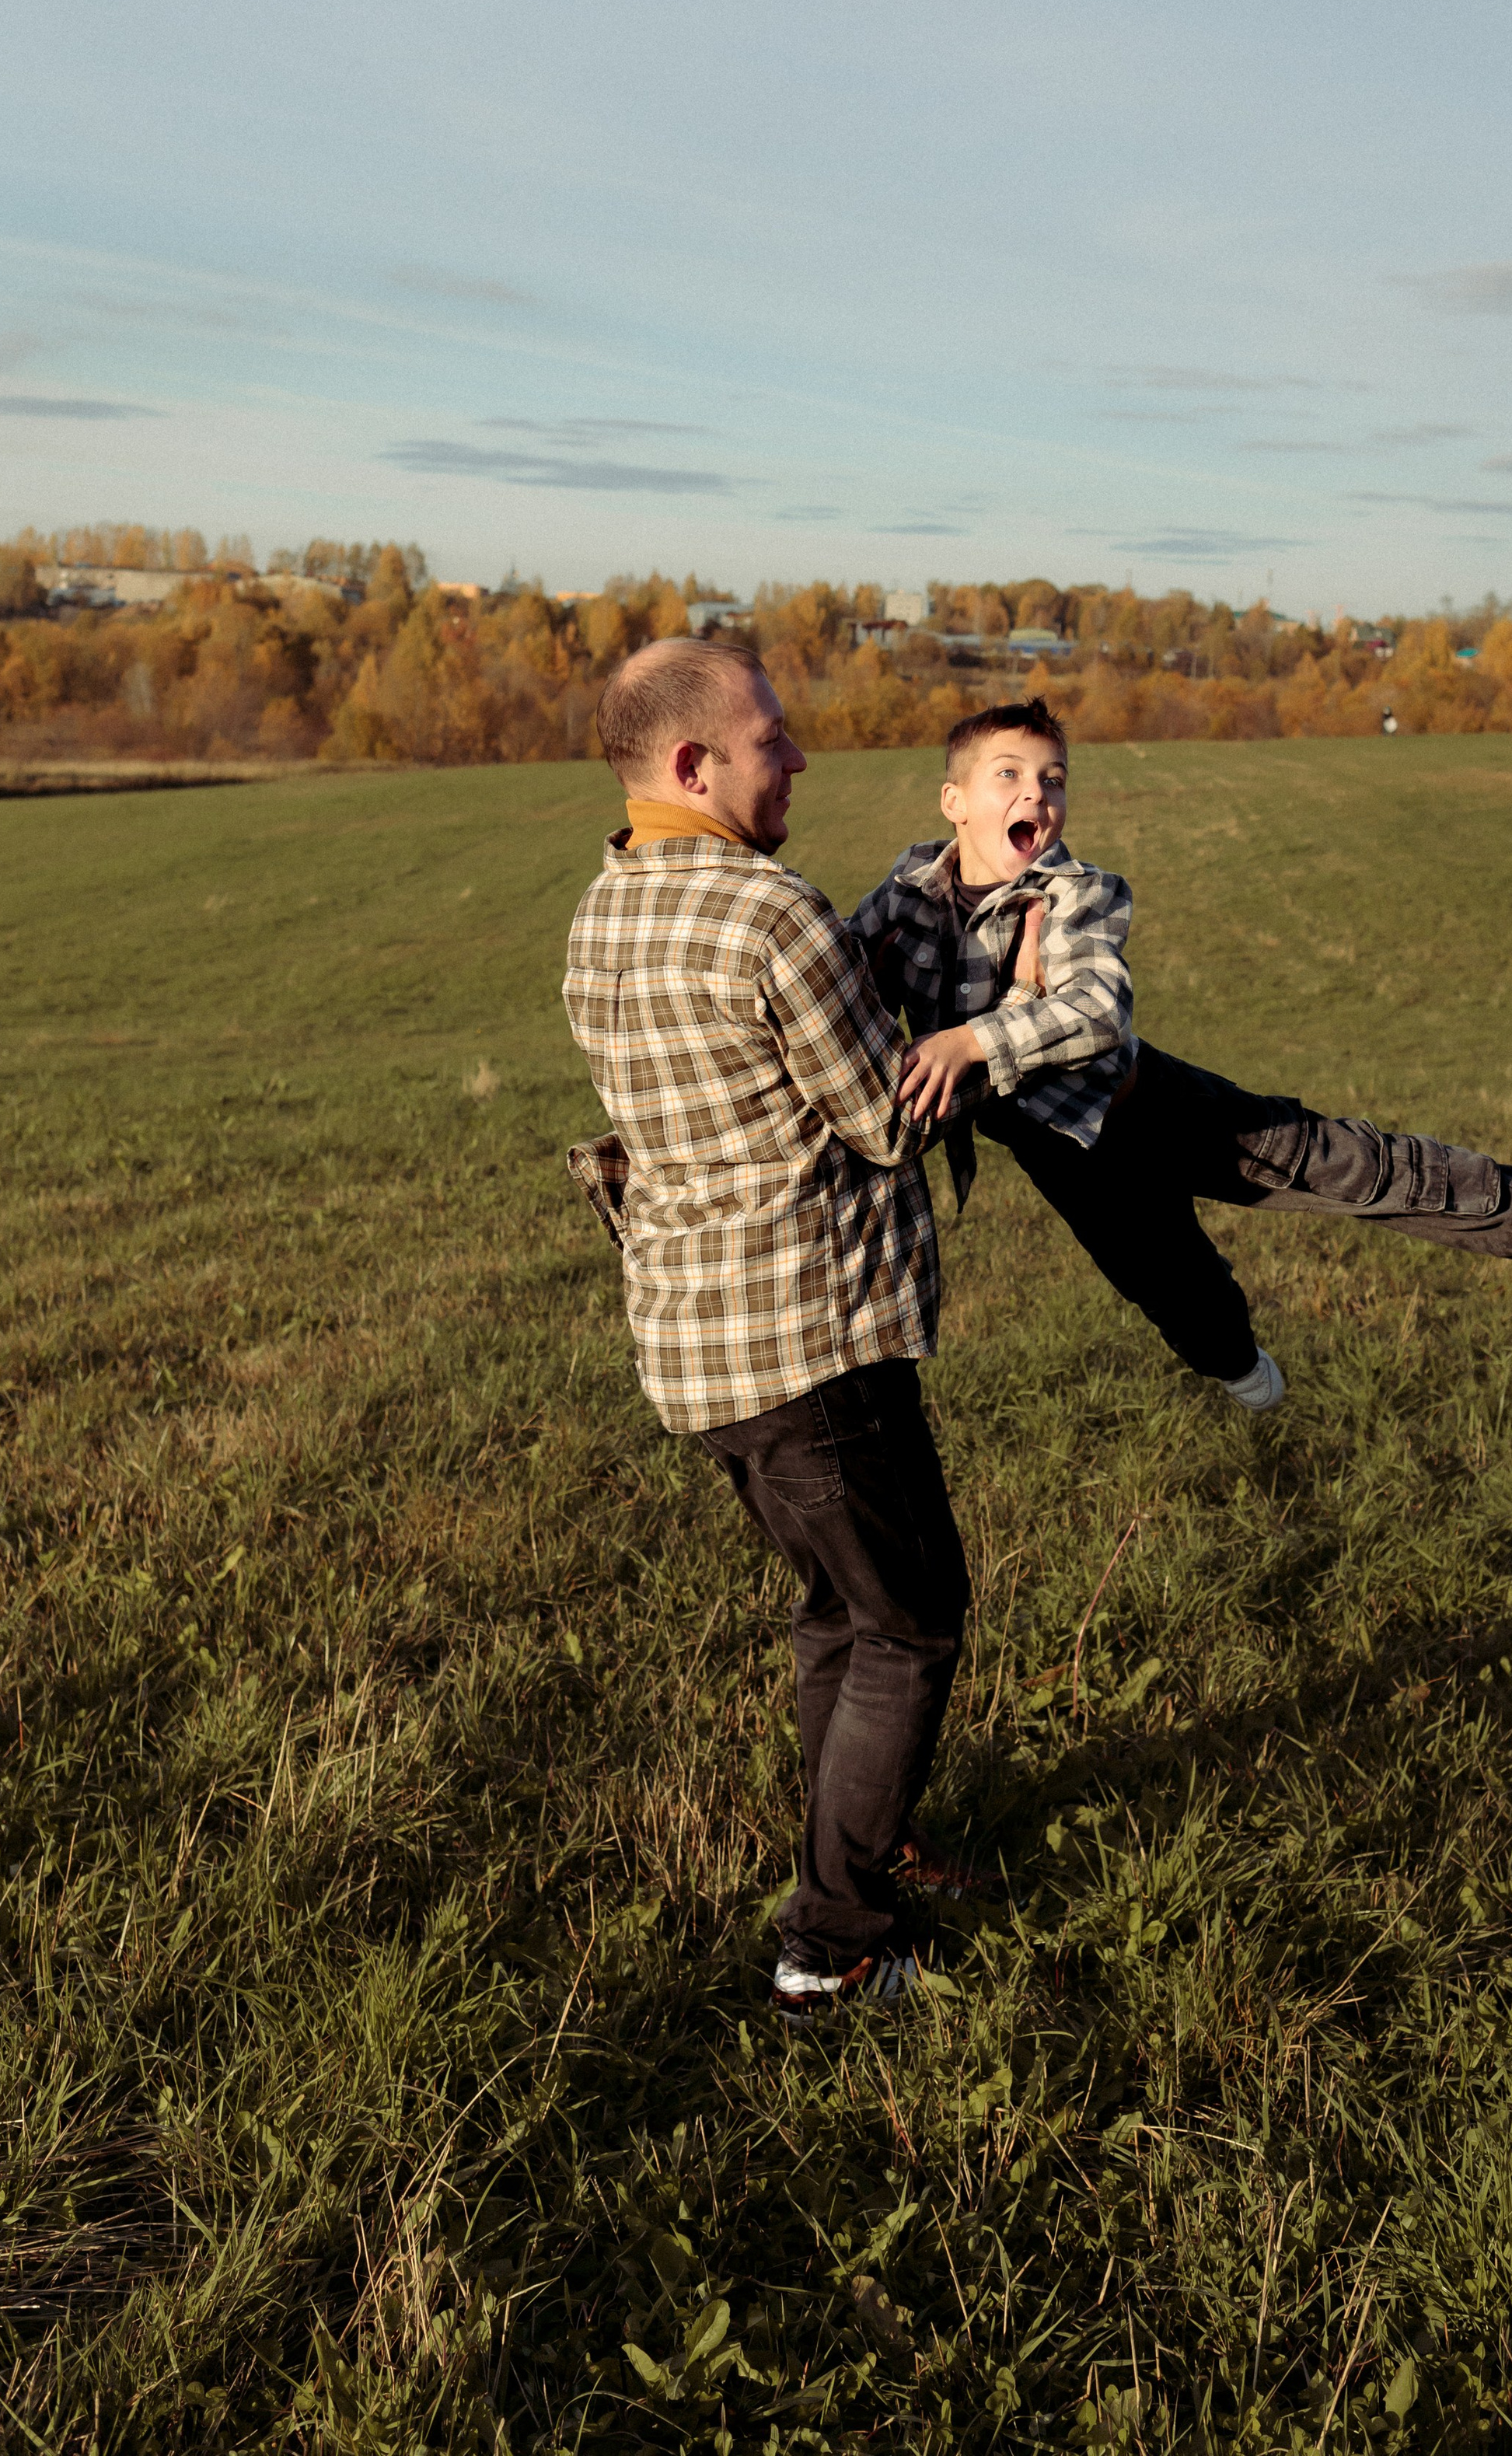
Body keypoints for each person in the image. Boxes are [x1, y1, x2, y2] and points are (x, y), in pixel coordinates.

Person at [562, 638, 980, 2025]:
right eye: (772, 739)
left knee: (838, 1612)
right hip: (811, 1346)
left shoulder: (601, 910)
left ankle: (860, 1832)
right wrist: (1004, 1022)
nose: (798, 757)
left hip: (696, 1354)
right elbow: (880, 1116)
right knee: (913, 1624)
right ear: (693, 765)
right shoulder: (771, 916)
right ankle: (832, 1941)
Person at [850, 697, 1512, 1413]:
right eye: (1009, 774)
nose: (1037, 795)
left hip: (1157, 1107)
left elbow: (1096, 1007)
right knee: (1164, 1280)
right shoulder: (908, 890)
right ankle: (1235, 1363)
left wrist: (971, 1040)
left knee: (1346, 1165)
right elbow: (842, 971)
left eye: (1054, 780)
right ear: (953, 801)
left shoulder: (1077, 891)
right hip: (1064, 1156)